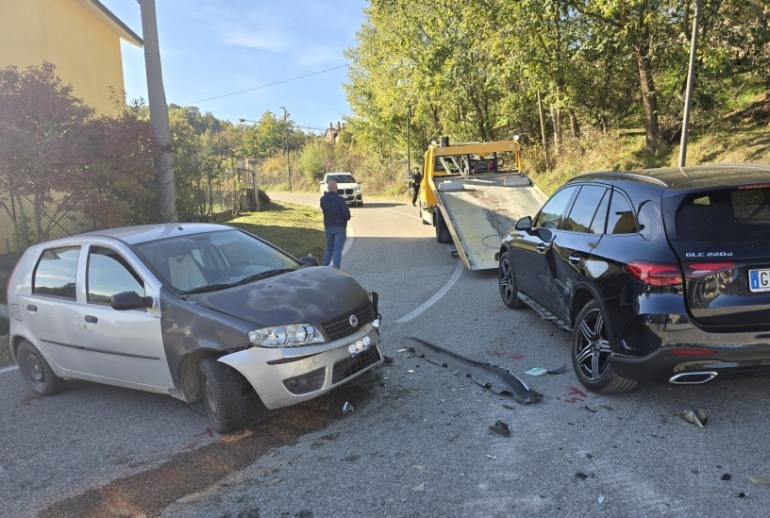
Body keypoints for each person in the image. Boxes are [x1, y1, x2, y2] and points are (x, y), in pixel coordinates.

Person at [320, 179, 351, 269]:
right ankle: (336, 269)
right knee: (337, 250)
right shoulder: (340, 200)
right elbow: (347, 214)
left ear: (328, 188)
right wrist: (344, 219)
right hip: (340, 227)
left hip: (328, 226)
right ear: (336, 188)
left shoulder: (323, 200)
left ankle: (324, 267)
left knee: (329, 248)